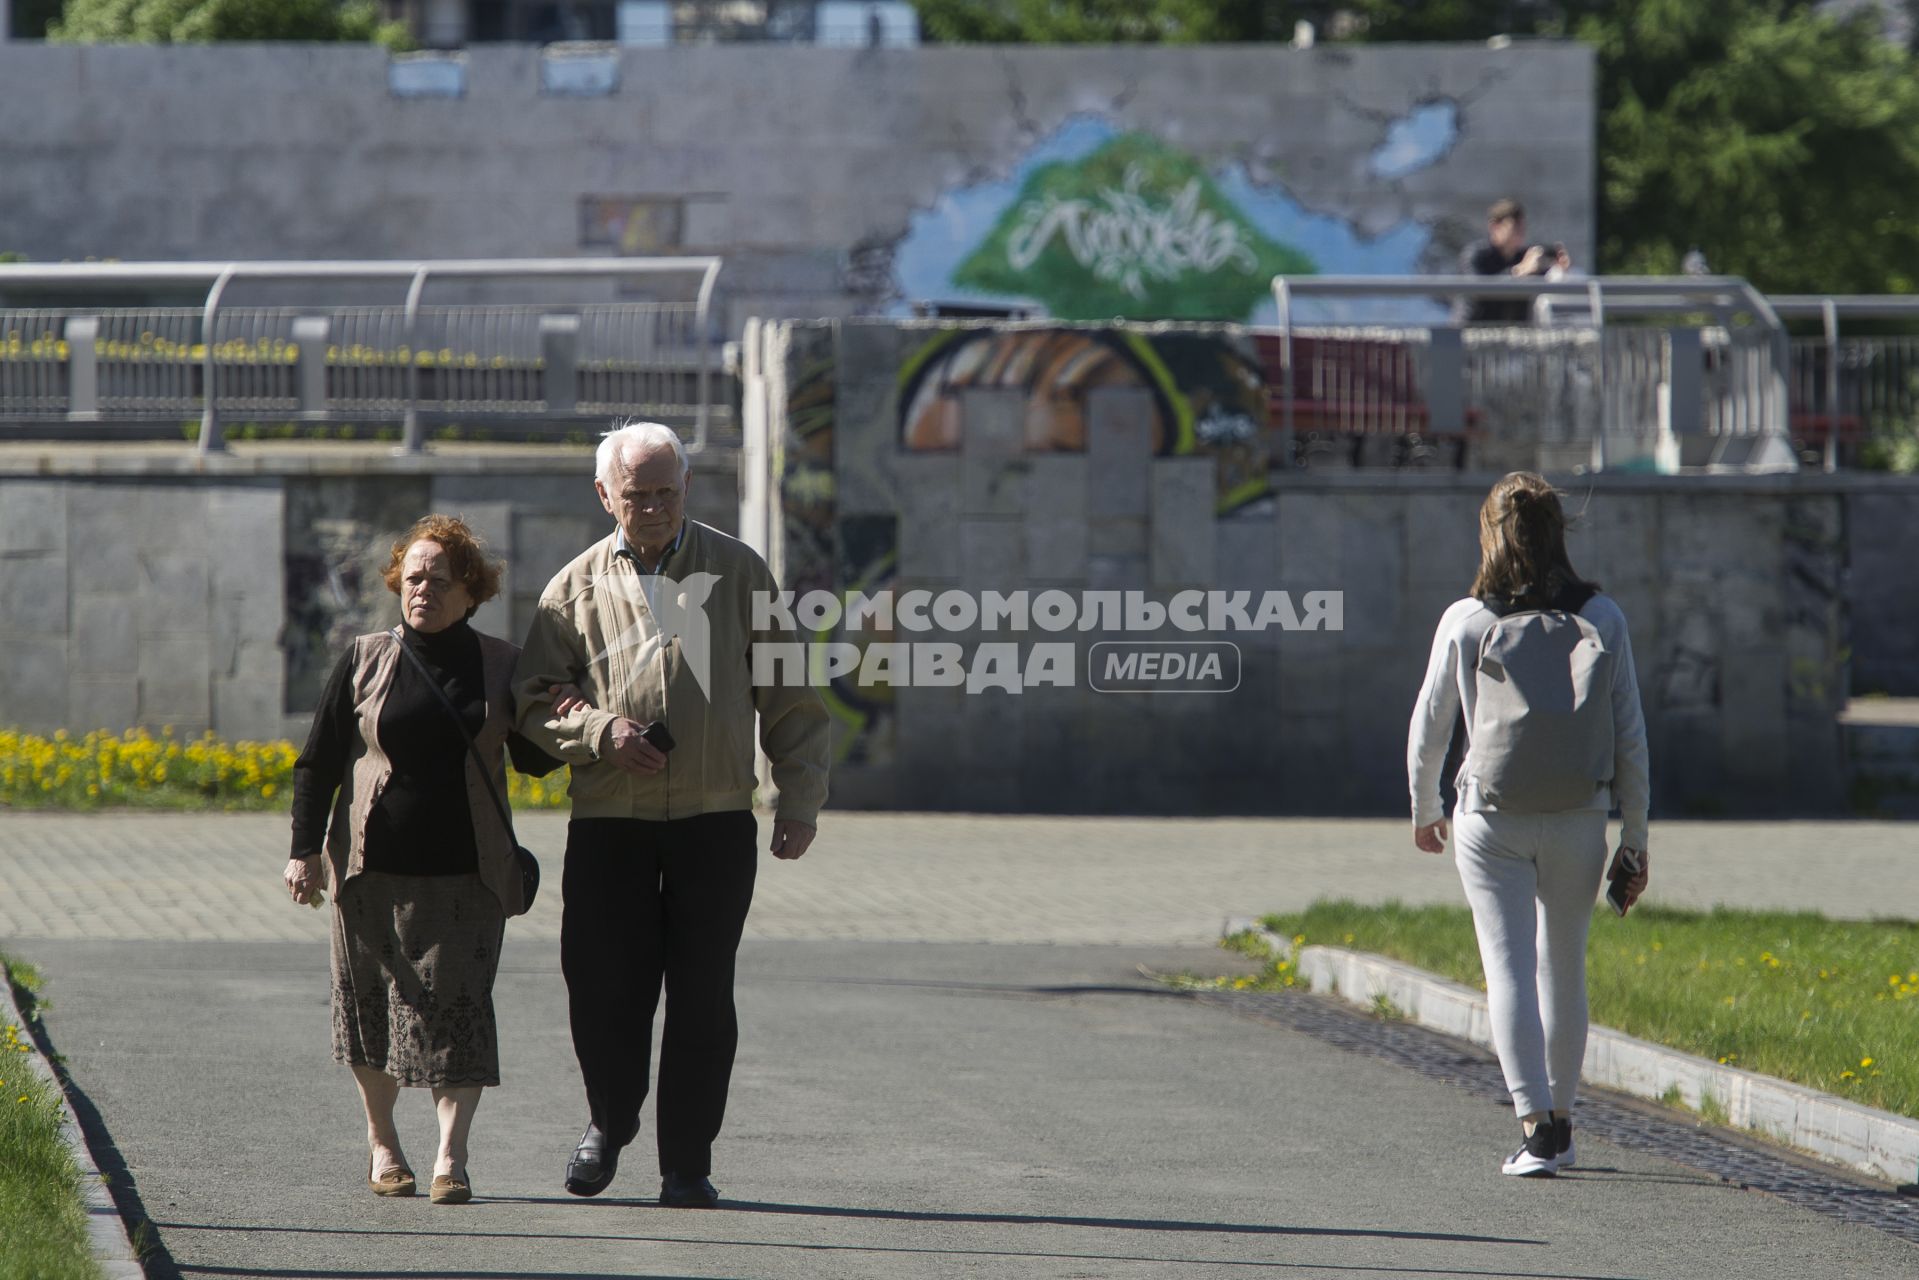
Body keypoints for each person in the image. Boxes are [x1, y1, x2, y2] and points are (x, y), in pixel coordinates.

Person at [513, 419, 830, 1209]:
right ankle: (607, 1125)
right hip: (608, 821)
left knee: (700, 995)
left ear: (686, 488)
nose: (652, 508)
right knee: (600, 986)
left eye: (665, 492)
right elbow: (532, 698)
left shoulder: (738, 570)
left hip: (714, 819)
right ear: (603, 495)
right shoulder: (572, 588)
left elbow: (789, 692)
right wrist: (599, 730)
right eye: (635, 495)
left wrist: (799, 799)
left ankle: (686, 1163)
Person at [283, 515, 564, 1205]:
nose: (423, 590)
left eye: (440, 580)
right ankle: (382, 1144)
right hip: (369, 874)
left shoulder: (502, 664)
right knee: (371, 1012)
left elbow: (535, 758)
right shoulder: (363, 658)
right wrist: (302, 854)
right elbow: (317, 764)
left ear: (472, 590)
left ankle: (450, 1158)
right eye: (413, 578)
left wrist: (570, 702)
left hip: (469, 877)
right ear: (396, 583)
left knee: (458, 1012)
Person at [1406, 472, 1650, 1178]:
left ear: (1489, 533)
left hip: (1490, 816)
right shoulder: (1602, 616)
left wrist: (1425, 810)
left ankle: (1534, 1128)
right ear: (1558, 531)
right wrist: (1633, 834)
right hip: (1579, 816)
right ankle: (1564, 1125)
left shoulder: (1467, 620)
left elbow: (1429, 726)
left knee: (1506, 966)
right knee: (1562, 965)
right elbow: (1629, 733)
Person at [1457, 198, 1573, 324]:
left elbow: (1547, 280)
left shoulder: (1524, 256)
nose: (1520, 232)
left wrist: (1558, 267)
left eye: (1522, 227)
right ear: (1495, 226)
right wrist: (1519, 271)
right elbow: (1479, 292)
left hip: (1514, 332)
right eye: (1515, 227)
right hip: (1474, 330)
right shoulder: (1475, 255)